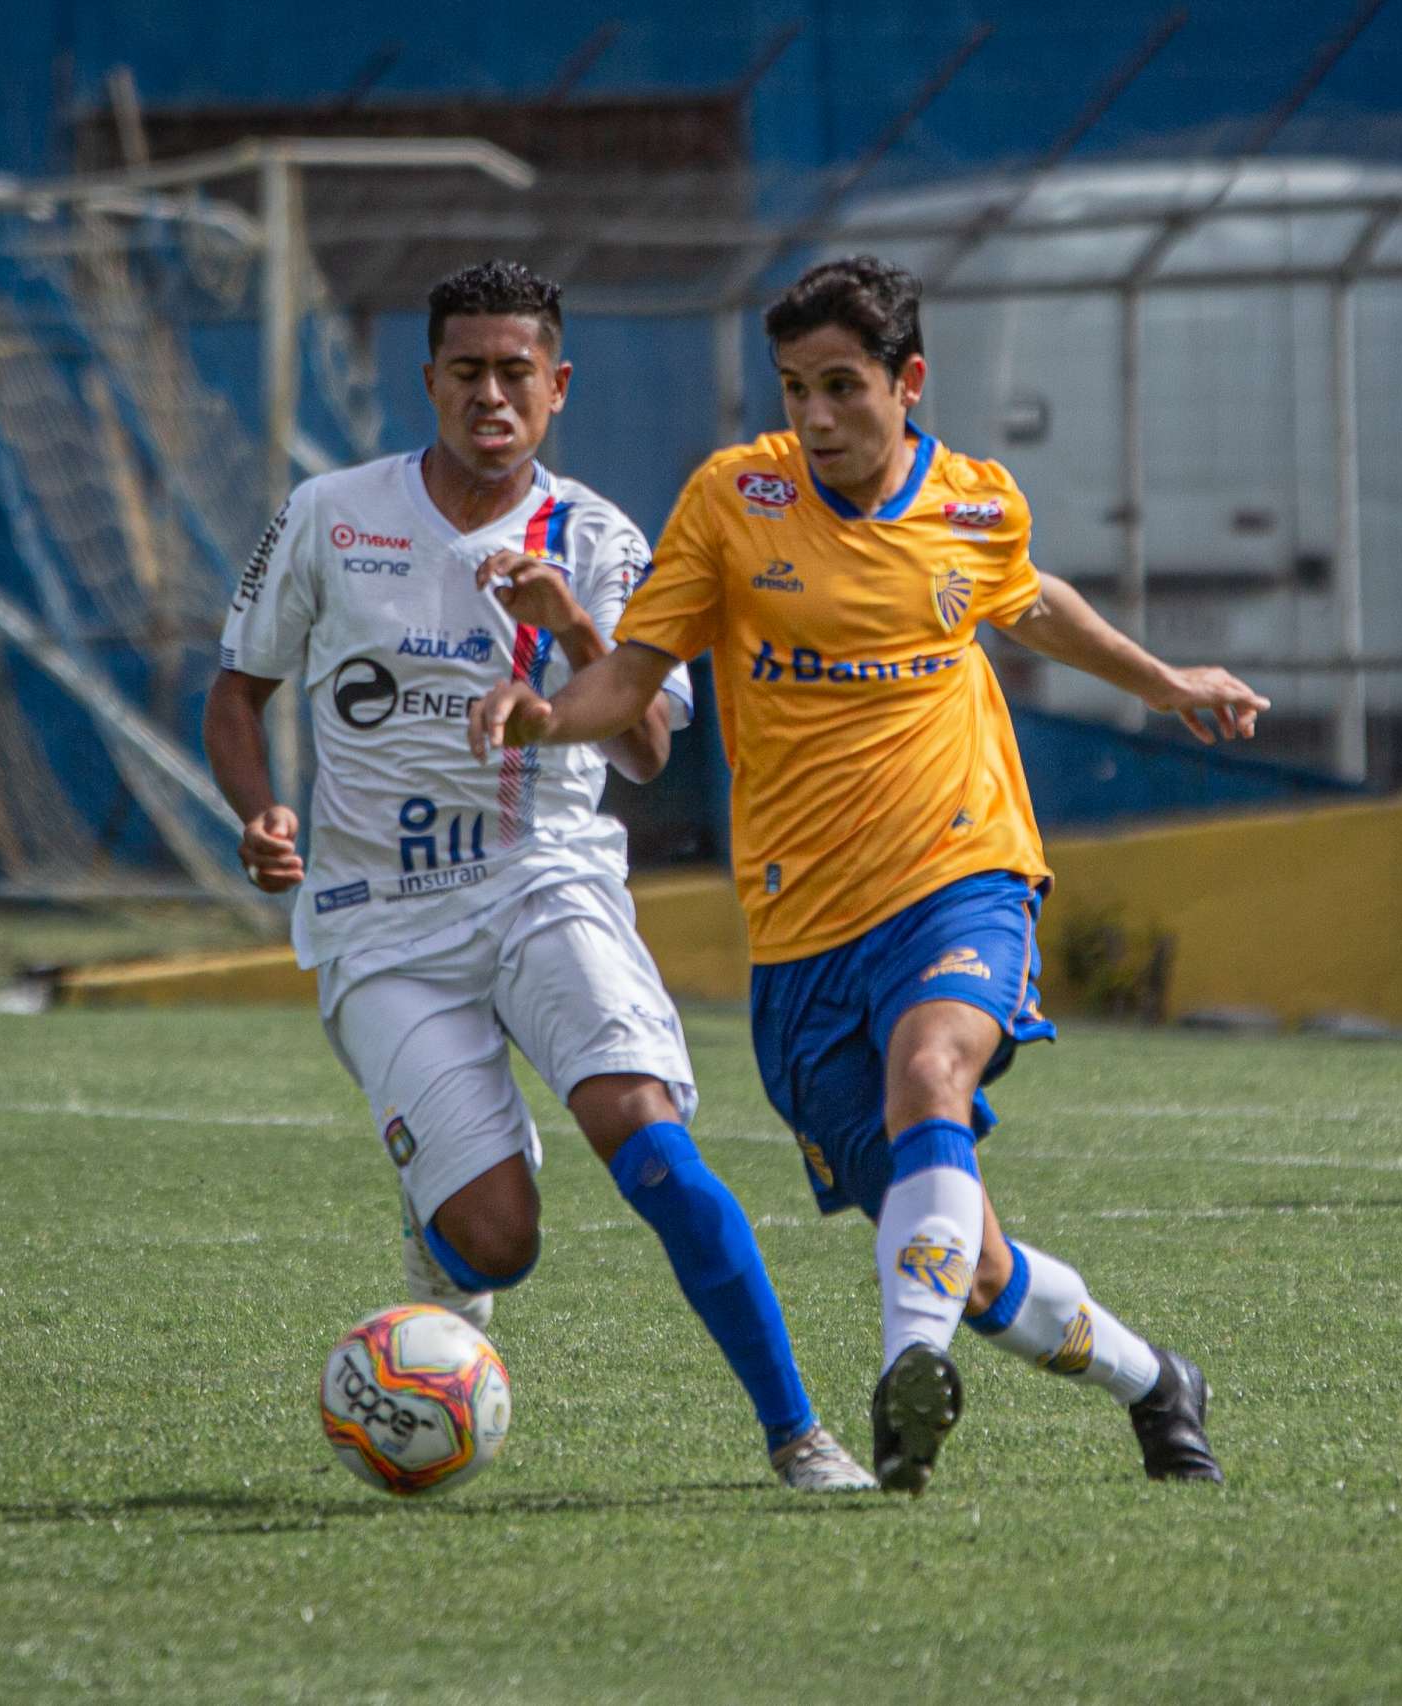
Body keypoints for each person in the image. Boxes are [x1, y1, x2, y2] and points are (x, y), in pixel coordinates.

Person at [467, 256, 1267, 1493]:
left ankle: (906, 1379)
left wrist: (1163, 683)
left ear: (909, 380)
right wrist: (545, 717)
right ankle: (1157, 1382)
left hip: (959, 870)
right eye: (795, 388)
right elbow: (631, 677)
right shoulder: (734, 500)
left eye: (842, 385)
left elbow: (1027, 601)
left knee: (931, 1066)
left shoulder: (975, 504)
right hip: (801, 934)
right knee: (973, 1263)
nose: (817, 416)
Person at [202, 259, 874, 1492]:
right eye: (466, 370)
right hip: (378, 923)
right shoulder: (329, 514)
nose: (491, 395)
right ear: (429, 381)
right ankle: (444, 1228)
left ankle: (798, 1433)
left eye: (516, 372)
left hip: (541, 878)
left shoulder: (602, 538)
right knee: (497, 1243)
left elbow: (647, 747)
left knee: (648, 1136)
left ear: (558, 385)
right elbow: (237, 693)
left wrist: (571, 623)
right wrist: (260, 815)